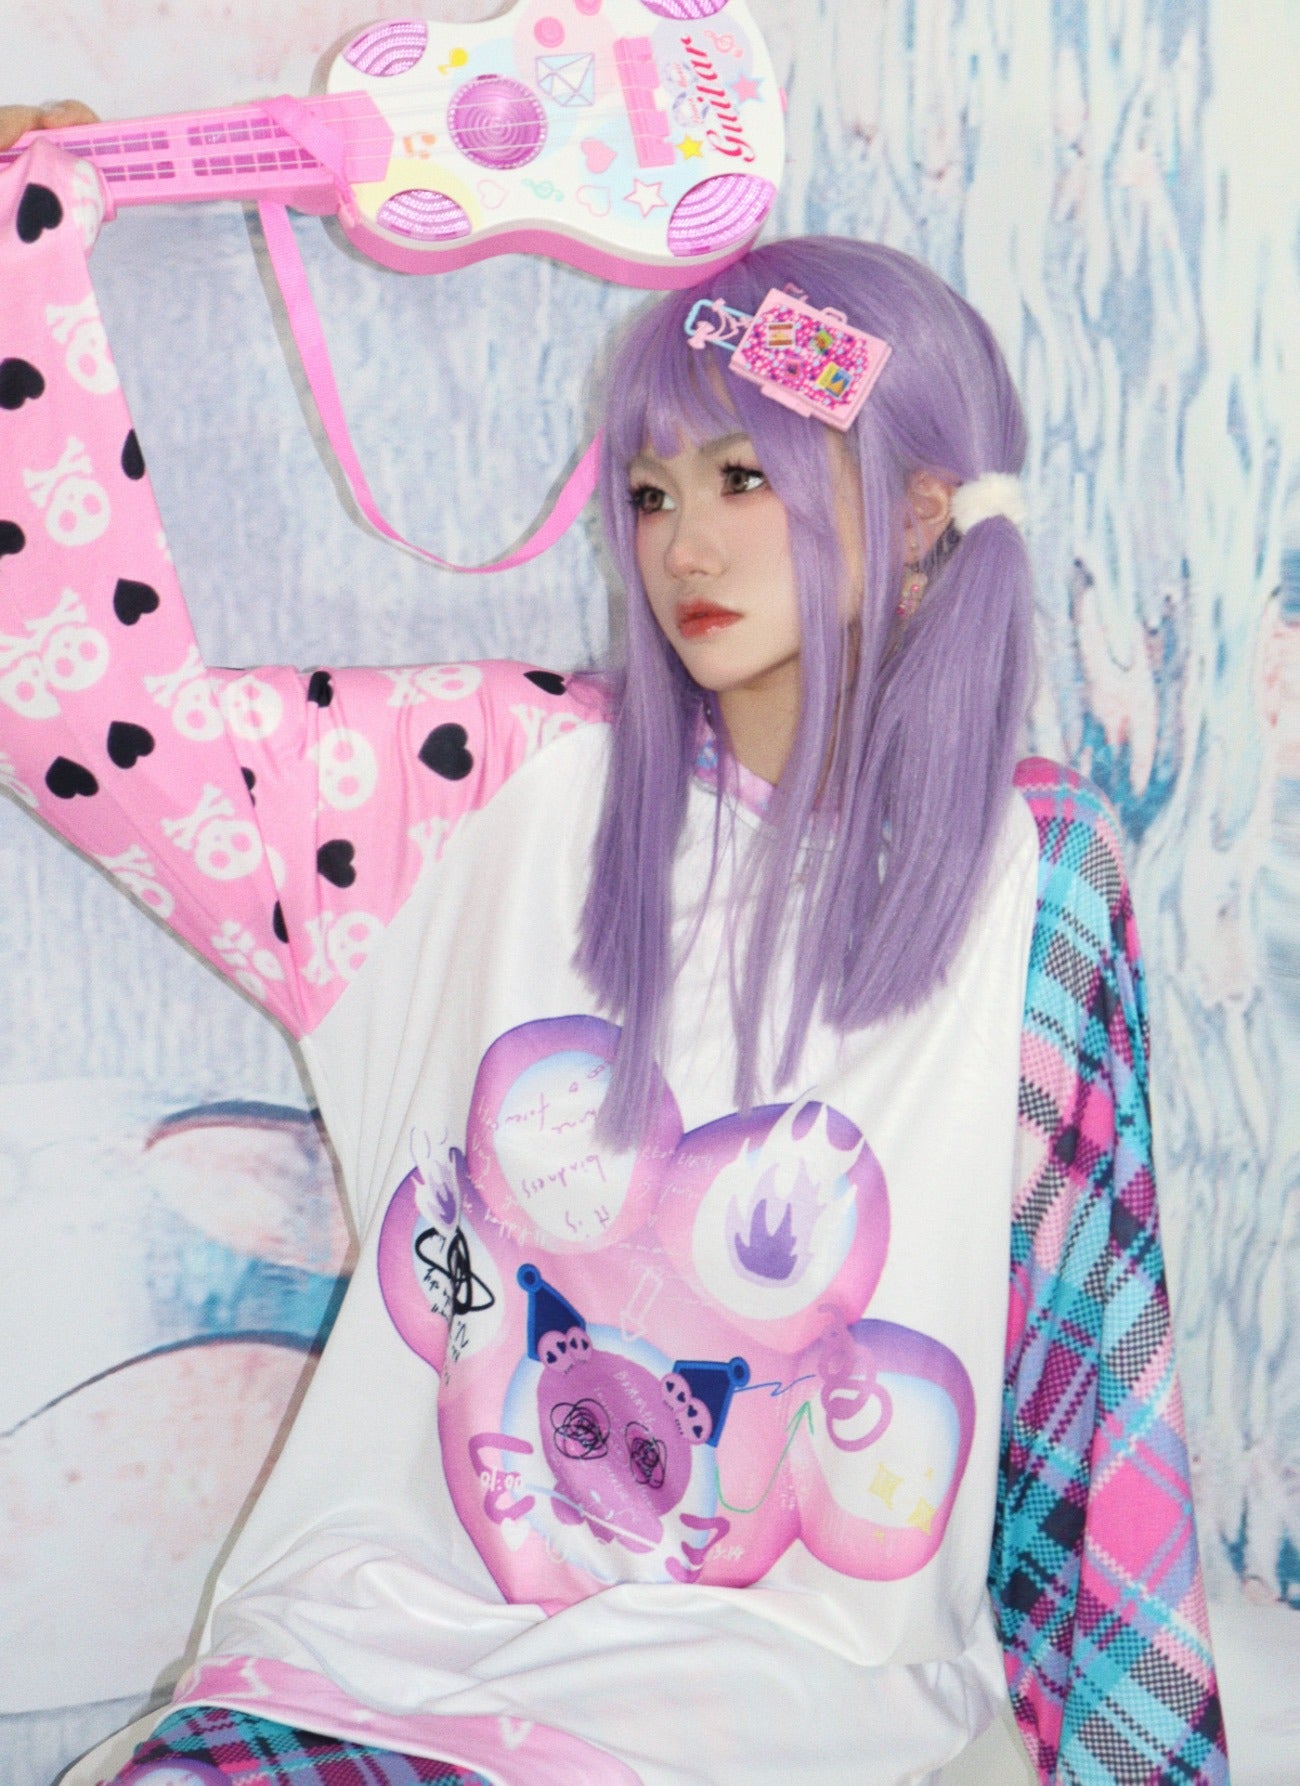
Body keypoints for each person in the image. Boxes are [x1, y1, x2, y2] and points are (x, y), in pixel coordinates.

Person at [0, 120, 1228, 1786]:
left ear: (923, 512)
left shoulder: (1034, 872)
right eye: (652, 493)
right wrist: (25, 257)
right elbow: (90, 712)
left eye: (745, 478)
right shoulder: (489, 789)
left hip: (778, 1714)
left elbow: (1092, 1365)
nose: (684, 547)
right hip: (373, 1669)